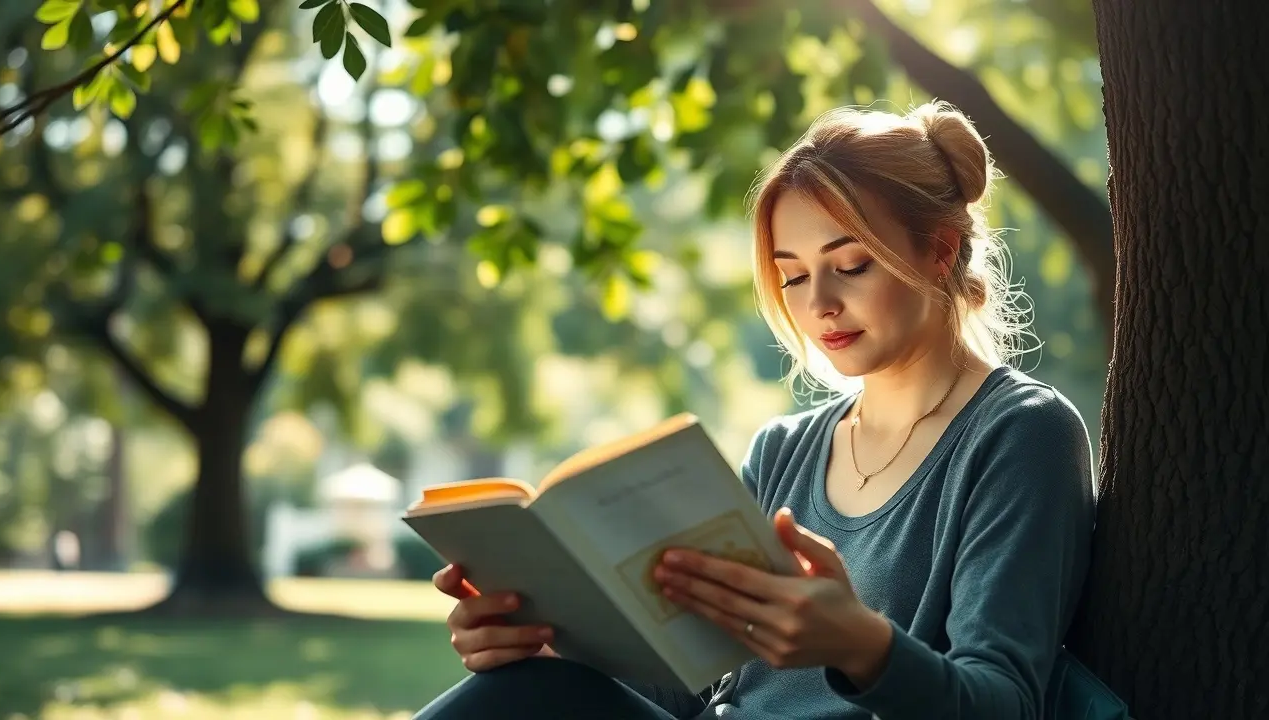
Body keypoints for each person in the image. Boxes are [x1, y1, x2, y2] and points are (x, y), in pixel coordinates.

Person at [413, 101, 1097, 719]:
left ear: (940, 250)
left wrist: (863, 646)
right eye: (792, 275)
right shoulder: (784, 451)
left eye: (851, 265)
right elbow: (696, 689)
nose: (817, 303)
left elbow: (1004, 703)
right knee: (525, 689)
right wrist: (545, 649)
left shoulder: (1021, 433)